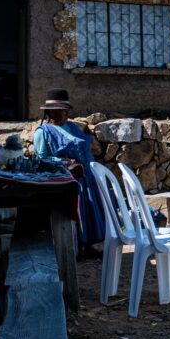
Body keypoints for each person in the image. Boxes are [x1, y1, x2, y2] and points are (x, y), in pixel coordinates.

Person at [33, 88, 106, 254]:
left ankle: (90, 245)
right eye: (62, 110)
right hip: (70, 180)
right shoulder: (43, 133)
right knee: (76, 213)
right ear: (51, 112)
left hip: (87, 178)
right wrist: (66, 162)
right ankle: (76, 247)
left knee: (90, 211)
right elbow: (43, 159)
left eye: (67, 109)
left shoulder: (72, 127)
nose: (66, 113)